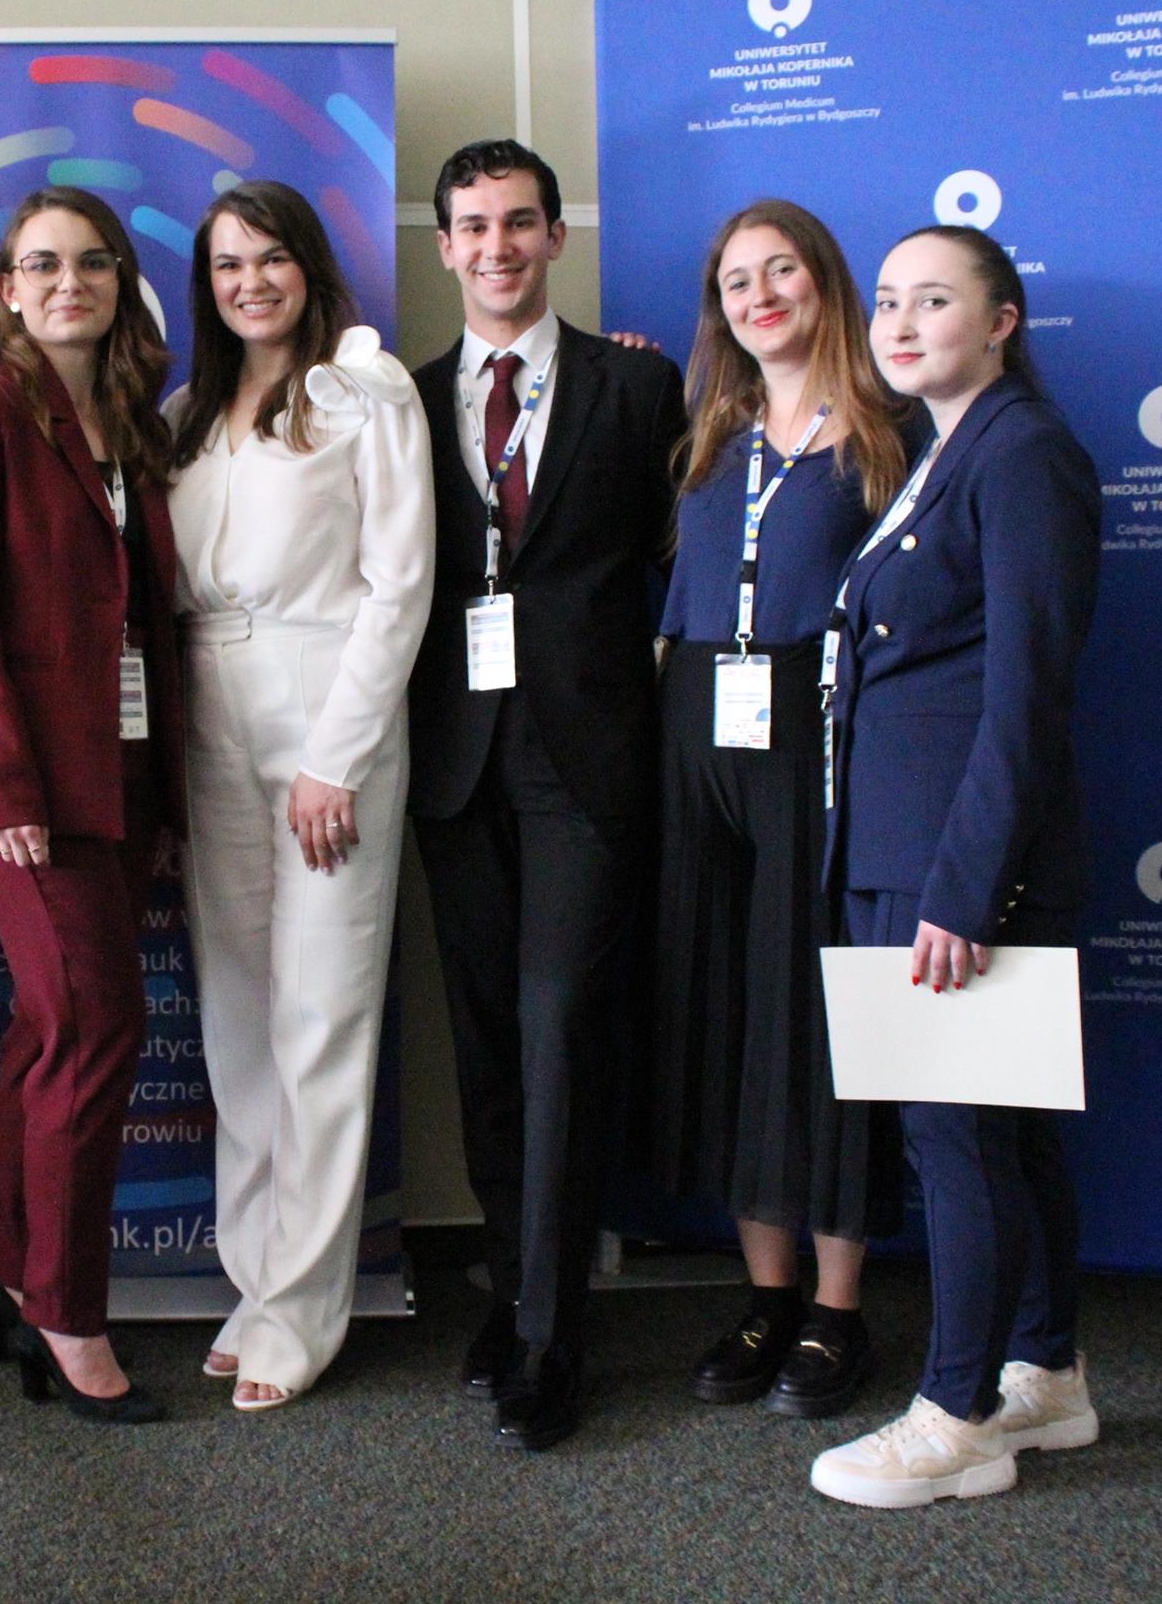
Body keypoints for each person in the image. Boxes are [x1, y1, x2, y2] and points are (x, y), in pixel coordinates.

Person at [808, 224, 1102, 1508]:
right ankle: (1048, 1371)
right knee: (1006, 1130)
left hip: (958, 868)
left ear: (1002, 323)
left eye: (935, 300)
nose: (901, 322)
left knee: (958, 1138)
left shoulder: (1023, 452)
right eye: (887, 301)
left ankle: (957, 1414)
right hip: (907, 851)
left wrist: (965, 889)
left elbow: (1027, 696)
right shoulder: (942, 452)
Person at [407, 140, 685, 1450]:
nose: (498, 247)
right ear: (446, 248)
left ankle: (554, 1335)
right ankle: (516, 1286)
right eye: (474, 227)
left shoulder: (639, 384)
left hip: (589, 760)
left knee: (561, 1027)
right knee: (487, 1050)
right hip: (454, 762)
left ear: (556, 238)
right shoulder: (403, 402)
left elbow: (694, 555)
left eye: (520, 223)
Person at [164, 182, 434, 1411]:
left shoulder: (365, 392)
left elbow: (399, 585)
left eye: (271, 258)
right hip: (208, 714)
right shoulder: (185, 416)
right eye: (228, 264)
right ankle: (257, 1278)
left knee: (321, 1018)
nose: (250, 282)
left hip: (329, 712)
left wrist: (341, 755)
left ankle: (305, 1310)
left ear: (310, 267)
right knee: (238, 1024)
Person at [642, 201, 911, 1420]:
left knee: (816, 1018)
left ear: (825, 283)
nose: (758, 296)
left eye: (780, 271)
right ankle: (765, 1293)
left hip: (814, 738)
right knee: (735, 1018)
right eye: (736, 280)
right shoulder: (714, 435)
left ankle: (838, 1308)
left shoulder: (888, 435)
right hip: (700, 737)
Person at [0, 186, 187, 1425]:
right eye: (41, 265)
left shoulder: (131, 420)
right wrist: (4, 788)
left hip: (122, 776)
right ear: (9, 291)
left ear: (121, 282)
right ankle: (69, 1316)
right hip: (28, 787)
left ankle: (11, 1275)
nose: (67, 282)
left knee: (46, 1031)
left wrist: (164, 787)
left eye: (91, 262)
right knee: (95, 1030)